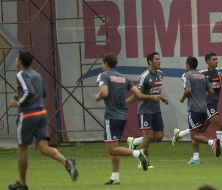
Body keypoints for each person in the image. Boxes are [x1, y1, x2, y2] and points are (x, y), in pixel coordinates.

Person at [8, 51, 79, 190]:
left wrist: (18, 103)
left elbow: (30, 92)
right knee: (43, 147)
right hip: (42, 113)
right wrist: (20, 95)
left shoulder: (21, 74)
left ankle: (22, 185)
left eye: (17, 58)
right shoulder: (37, 74)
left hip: (29, 115)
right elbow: (42, 93)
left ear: (20, 62)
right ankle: (66, 162)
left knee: (22, 148)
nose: (16, 60)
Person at [95, 53, 162, 185]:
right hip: (123, 116)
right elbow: (137, 94)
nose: (102, 66)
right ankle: (115, 177)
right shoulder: (123, 77)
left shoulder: (104, 75)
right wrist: (151, 97)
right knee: (115, 146)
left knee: (111, 149)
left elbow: (104, 93)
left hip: (112, 116)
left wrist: (98, 97)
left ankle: (138, 153)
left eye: (102, 63)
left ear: (106, 64)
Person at [172, 53, 222, 163]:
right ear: (207, 61)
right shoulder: (202, 74)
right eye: (214, 59)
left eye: (217, 59)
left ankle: (180, 135)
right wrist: (203, 98)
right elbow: (197, 88)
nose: (216, 61)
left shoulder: (220, 71)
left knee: (200, 129)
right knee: (219, 124)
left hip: (212, 104)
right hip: (207, 104)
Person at [125, 52, 168, 168]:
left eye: (159, 59)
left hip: (156, 110)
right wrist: (151, 97)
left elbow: (156, 90)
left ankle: (134, 142)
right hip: (145, 111)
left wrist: (162, 98)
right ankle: (142, 161)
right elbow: (137, 95)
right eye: (157, 59)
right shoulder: (144, 77)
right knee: (148, 136)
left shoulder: (160, 74)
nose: (159, 61)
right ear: (150, 61)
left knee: (159, 136)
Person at [177, 56, 221, 163]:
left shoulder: (187, 75)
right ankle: (196, 158)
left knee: (194, 135)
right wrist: (202, 98)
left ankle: (212, 142)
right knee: (196, 133)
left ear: (188, 65)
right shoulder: (203, 76)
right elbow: (211, 91)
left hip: (194, 109)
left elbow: (187, 90)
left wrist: (182, 99)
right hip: (204, 108)